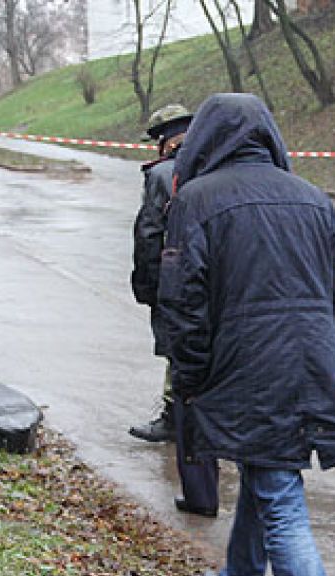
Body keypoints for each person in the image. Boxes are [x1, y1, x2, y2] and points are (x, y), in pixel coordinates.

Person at [159, 93, 335, 576]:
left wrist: (188, 380)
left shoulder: (197, 200)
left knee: (279, 495)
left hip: (245, 372)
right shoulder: (312, 198)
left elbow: (183, 302)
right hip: (310, 367)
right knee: (267, 471)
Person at [128, 103, 219, 518]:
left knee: (179, 350)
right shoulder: (220, 165)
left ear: (166, 140)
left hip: (175, 278)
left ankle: (174, 419)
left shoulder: (162, 175)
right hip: (220, 281)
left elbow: (149, 234)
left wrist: (146, 286)